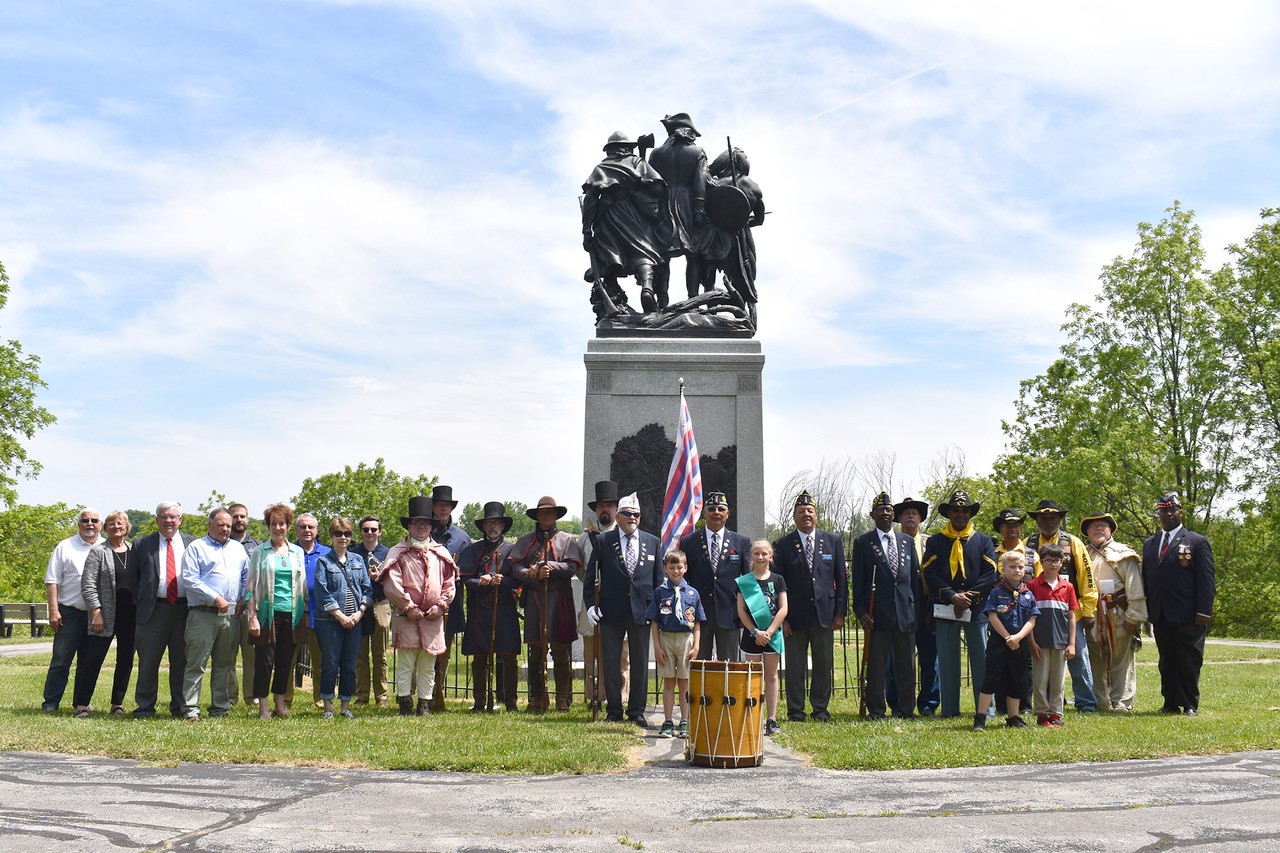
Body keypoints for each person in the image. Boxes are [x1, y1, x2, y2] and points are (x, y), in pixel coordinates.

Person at [772, 490, 847, 723]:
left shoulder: (833, 541)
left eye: (810, 511)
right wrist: (782, 618)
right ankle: (796, 710)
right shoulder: (782, 544)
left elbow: (842, 579)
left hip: (825, 614)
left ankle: (820, 709)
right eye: (801, 511)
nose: (806, 514)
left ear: (817, 515)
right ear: (794, 516)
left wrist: (840, 612)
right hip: (794, 617)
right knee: (795, 666)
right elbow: (777, 583)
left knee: (824, 664)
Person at [922, 490, 997, 718]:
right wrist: (952, 595)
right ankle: (950, 709)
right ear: (949, 513)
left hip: (976, 608)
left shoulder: (983, 540)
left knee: (981, 661)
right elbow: (930, 572)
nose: (961, 514)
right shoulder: (936, 541)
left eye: (965, 510)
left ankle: (986, 709)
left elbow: (991, 572)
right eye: (956, 510)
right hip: (946, 606)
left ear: (970, 513)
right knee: (947, 660)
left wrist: (968, 597)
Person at [585, 492, 658, 725]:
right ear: (618, 517)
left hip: (641, 611)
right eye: (627, 514)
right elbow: (590, 577)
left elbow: (657, 582)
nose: (632, 517)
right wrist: (589, 606)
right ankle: (614, 710)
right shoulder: (604, 541)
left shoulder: (652, 542)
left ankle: (636, 710)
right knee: (610, 661)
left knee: (639, 663)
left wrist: (656, 610)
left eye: (636, 514)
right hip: (611, 610)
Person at [382, 496, 457, 716]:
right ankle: (405, 704)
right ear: (409, 526)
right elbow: (392, 583)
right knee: (406, 663)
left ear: (431, 527)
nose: (421, 527)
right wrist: (408, 607)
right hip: (407, 617)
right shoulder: (398, 552)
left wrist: (441, 606)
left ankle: (424, 704)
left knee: (428, 664)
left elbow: (448, 582)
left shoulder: (440, 554)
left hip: (433, 618)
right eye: (416, 523)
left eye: (425, 523)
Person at [1142, 493, 1216, 716]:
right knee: (1167, 660)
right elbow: (1147, 578)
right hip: (1161, 613)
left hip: (1189, 614)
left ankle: (1190, 704)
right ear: (1159, 513)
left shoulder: (1196, 541)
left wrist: (1204, 610)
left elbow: (1206, 579)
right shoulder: (1150, 543)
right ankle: (1170, 702)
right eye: (1163, 511)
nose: (1168, 514)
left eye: (1172, 510)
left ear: (1180, 512)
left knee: (1189, 659)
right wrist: (1146, 611)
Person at [509, 496, 581, 713]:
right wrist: (534, 574)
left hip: (560, 600)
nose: (547, 515)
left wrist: (548, 566)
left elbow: (570, 568)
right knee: (535, 652)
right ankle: (537, 700)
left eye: (551, 512)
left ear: (556, 515)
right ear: (537, 516)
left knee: (561, 651)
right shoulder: (525, 540)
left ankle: (562, 700)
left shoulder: (567, 540)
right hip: (535, 599)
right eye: (543, 512)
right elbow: (515, 568)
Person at [1025, 500, 1099, 712]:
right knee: (1042, 662)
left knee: (1078, 658)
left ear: (1060, 519)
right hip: (1039, 615)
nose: (1048, 522)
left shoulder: (1073, 542)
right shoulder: (1028, 543)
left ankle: (1086, 703)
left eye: (1053, 518)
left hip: (1070, 612)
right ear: (1037, 520)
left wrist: (1088, 610)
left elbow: (1087, 577)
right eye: (1043, 518)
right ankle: (1048, 705)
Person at [581, 132, 666, 314]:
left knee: (610, 255)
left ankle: (612, 291)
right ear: (628, 148)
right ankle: (647, 287)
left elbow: (590, 199)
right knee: (643, 252)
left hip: (609, 217)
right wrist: (638, 190)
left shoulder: (601, 168)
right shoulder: (638, 164)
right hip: (636, 216)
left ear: (610, 150)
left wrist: (587, 229)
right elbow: (658, 187)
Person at [853, 493, 919, 720]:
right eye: (880, 510)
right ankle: (877, 710)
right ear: (872, 515)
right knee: (877, 667)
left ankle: (906, 710)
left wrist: (916, 612)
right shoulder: (863, 542)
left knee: (906, 667)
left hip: (905, 614)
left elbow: (914, 581)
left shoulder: (907, 541)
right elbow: (858, 581)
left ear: (894, 515)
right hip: (877, 615)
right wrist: (860, 611)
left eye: (889, 510)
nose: (885, 513)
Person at [179, 508, 250, 720]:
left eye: (228, 525)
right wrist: (215, 598)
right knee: (196, 663)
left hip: (230, 616)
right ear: (210, 525)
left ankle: (220, 707)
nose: (226, 529)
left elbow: (246, 576)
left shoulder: (238, 549)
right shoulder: (197, 547)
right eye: (221, 525)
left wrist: (241, 599)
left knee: (224, 664)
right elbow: (190, 579)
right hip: (203, 614)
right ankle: (191, 708)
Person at [648, 112, 726, 303]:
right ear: (686, 132)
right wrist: (699, 209)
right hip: (687, 204)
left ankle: (662, 300)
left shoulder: (656, 154)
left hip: (662, 203)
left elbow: (649, 181)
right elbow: (700, 182)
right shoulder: (697, 152)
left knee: (662, 255)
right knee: (694, 255)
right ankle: (693, 299)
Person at [129, 502, 195, 719]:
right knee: (148, 663)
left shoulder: (192, 544)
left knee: (181, 662)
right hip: (153, 611)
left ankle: (179, 707)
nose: (169, 520)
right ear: (157, 520)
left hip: (184, 611)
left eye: (173, 517)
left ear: (180, 520)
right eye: (164, 516)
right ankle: (145, 707)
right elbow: (132, 581)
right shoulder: (141, 544)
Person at [245, 503, 307, 721]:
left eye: (282, 523)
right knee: (264, 662)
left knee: (285, 662)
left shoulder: (297, 552)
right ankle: (263, 707)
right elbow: (250, 587)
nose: (278, 527)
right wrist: (252, 617)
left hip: (292, 615)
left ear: (288, 526)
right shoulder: (259, 552)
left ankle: (279, 705)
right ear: (268, 526)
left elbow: (303, 585)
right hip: (266, 615)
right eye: (273, 523)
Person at [1081, 512, 1146, 713]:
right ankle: (1100, 701)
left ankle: (1121, 702)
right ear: (1087, 532)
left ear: (1110, 529)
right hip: (1092, 614)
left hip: (1118, 612)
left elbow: (1134, 586)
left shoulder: (1124, 553)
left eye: (1103, 525)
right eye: (1093, 526)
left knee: (1121, 658)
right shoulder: (1081, 554)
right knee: (1095, 657)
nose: (1098, 529)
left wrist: (1134, 616)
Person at [458, 502, 520, 713]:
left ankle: (511, 702)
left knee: (510, 656)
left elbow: (519, 579)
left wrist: (503, 581)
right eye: (489, 523)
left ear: (503, 526)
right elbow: (465, 579)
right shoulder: (473, 550)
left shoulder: (512, 549)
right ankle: (479, 702)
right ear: (484, 526)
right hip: (480, 609)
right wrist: (482, 582)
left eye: (497, 523)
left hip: (505, 608)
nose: (493, 526)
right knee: (480, 658)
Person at [41, 507, 102, 715]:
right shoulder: (65, 546)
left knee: (87, 662)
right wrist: (53, 610)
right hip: (69, 613)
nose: (90, 524)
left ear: (100, 524)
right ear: (79, 524)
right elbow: (52, 580)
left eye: (94, 520)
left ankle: (81, 703)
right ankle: (51, 702)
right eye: (85, 520)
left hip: (97, 615)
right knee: (60, 661)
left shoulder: (106, 546)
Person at [313, 517, 373, 719]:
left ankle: (345, 705)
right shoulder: (323, 561)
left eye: (347, 533)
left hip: (355, 620)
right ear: (331, 536)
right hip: (329, 621)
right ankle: (328, 705)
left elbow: (367, 589)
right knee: (330, 662)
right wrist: (339, 615)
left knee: (349, 664)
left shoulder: (358, 561)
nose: (343, 537)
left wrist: (360, 612)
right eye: (338, 533)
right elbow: (322, 592)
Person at [680, 490, 751, 662]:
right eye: (711, 509)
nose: (716, 513)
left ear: (728, 514)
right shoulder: (689, 542)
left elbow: (747, 580)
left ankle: (728, 691)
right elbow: (684, 580)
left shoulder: (741, 542)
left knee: (729, 666)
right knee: (699, 666)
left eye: (721, 509)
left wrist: (746, 614)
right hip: (698, 615)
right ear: (704, 513)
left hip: (730, 613)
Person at [972, 551, 1039, 731]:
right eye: (1012, 567)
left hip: (1020, 643)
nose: (1017, 570)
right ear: (1003, 569)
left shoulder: (1027, 594)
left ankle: (1013, 717)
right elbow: (992, 616)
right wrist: (1007, 637)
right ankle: (980, 717)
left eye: (1020, 567)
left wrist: (1018, 637)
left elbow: (1032, 619)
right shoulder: (997, 591)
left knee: (1017, 680)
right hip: (999, 642)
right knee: (991, 679)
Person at [78, 511, 133, 717]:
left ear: (126, 527)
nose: (116, 527)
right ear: (106, 528)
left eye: (120, 524)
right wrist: (96, 611)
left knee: (125, 661)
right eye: (111, 524)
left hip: (131, 615)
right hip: (105, 614)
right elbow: (88, 584)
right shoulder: (98, 551)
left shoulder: (134, 550)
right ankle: (82, 705)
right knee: (93, 659)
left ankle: (117, 704)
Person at [705, 146, 766, 326]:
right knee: (746, 276)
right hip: (743, 237)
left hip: (719, 233)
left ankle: (709, 310)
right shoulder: (754, 187)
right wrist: (745, 221)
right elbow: (760, 220)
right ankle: (748, 312)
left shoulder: (718, 184)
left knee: (710, 272)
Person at [648, 549, 704, 738]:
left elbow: (697, 622)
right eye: (671, 567)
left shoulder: (693, 593)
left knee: (685, 683)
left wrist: (696, 646)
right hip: (666, 639)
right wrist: (656, 647)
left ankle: (685, 721)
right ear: (665, 569)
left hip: (685, 639)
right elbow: (654, 621)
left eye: (679, 567)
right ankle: (668, 721)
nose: (676, 571)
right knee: (669, 682)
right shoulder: (659, 592)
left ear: (685, 568)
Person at [576, 480, 621, 709]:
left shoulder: (624, 535)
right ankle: (594, 696)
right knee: (591, 652)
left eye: (610, 505)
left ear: (616, 509)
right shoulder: (585, 538)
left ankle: (620, 697)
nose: (606, 509)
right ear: (596, 509)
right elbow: (580, 568)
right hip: (591, 599)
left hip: (617, 601)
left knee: (619, 655)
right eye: (601, 505)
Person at [991, 507, 1040, 716]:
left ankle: (1025, 706)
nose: (1013, 529)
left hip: (1025, 615)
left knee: (1025, 664)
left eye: (1016, 526)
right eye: (1008, 525)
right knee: (1001, 662)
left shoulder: (1032, 555)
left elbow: (1036, 584)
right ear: (1000, 529)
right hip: (1001, 617)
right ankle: (1002, 706)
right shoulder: (992, 554)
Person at [893, 496, 939, 716]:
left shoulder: (930, 542)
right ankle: (899, 702)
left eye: (915, 513)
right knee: (900, 657)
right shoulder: (894, 542)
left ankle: (928, 703)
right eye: (906, 513)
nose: (910, 516)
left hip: (928, 606)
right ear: (898, 518)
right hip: (902, 607)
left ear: (920, 518)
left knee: (930, 657)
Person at [737, 540, 788, 736]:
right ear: (751, 556)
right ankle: (752, 716)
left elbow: (783, 608)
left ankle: (771, 719)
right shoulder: (745, 581)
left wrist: (770, 631)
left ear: (770, 557)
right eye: (756, 553)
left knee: (772, 676)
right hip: (752, 636)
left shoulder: (778, 579)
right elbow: (741, 611)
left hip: (772, 635)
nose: (760, 557)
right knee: (751, 677)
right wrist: (755, 632)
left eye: (764, 554)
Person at [429, 485, 471, 712]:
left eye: (447, 505)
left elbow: (468, 570)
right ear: (433, 508)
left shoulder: (462, 538)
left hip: (451, 602)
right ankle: (423, 693)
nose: (443, 509)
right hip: (425, 602)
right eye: (439, 505)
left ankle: (439, 692)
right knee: (423, 648)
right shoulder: (423, 531)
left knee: (444, 650)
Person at [1027, 543, 1078, 727]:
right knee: (1040, 680)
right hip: (1040, 641)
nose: (1052, 564)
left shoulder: (1068, 587)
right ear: (1041, 562)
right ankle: (1042, 713)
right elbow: (1029, 617)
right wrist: (1031, 642)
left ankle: (1056, 713)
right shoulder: (1033, 585)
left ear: (1062, 562)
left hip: (1060, 641)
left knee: (1058, 680)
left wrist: (1071, 643)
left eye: (1056, 560)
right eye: (1048, 560)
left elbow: (1071, 617)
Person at [287, 513, 330, 710]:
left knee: (320, 659)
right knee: (288, 660)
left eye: (310, 527)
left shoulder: (327, 553)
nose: (307, 530)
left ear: (317, 530)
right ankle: (285, 699)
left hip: (320, 614)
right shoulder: (288, 551)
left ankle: (321, 698)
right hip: (292, 613)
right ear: (295, 530)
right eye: (302, 527)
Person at [351, 514, 391, 708]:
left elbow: (395, 580)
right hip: (359, 606)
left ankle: (381, 695)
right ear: (360, 532)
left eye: (373, 529)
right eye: (365, 529)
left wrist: (379, 577)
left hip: (381, 603)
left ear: (380, 532)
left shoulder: (388, 553)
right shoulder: (353, 553)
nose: (369, 533)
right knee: (360, 654)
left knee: (380, 654)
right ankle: (362, 695)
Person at [226, 503, 261, 710]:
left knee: (251, 655)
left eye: (242, 516)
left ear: (248, 519)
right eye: (235, 516)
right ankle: (230, 696)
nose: (239, 520)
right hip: (229, 608)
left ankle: (252, 696)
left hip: (250, 608)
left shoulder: (257, 546)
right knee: (227, 654)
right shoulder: (221, 543)